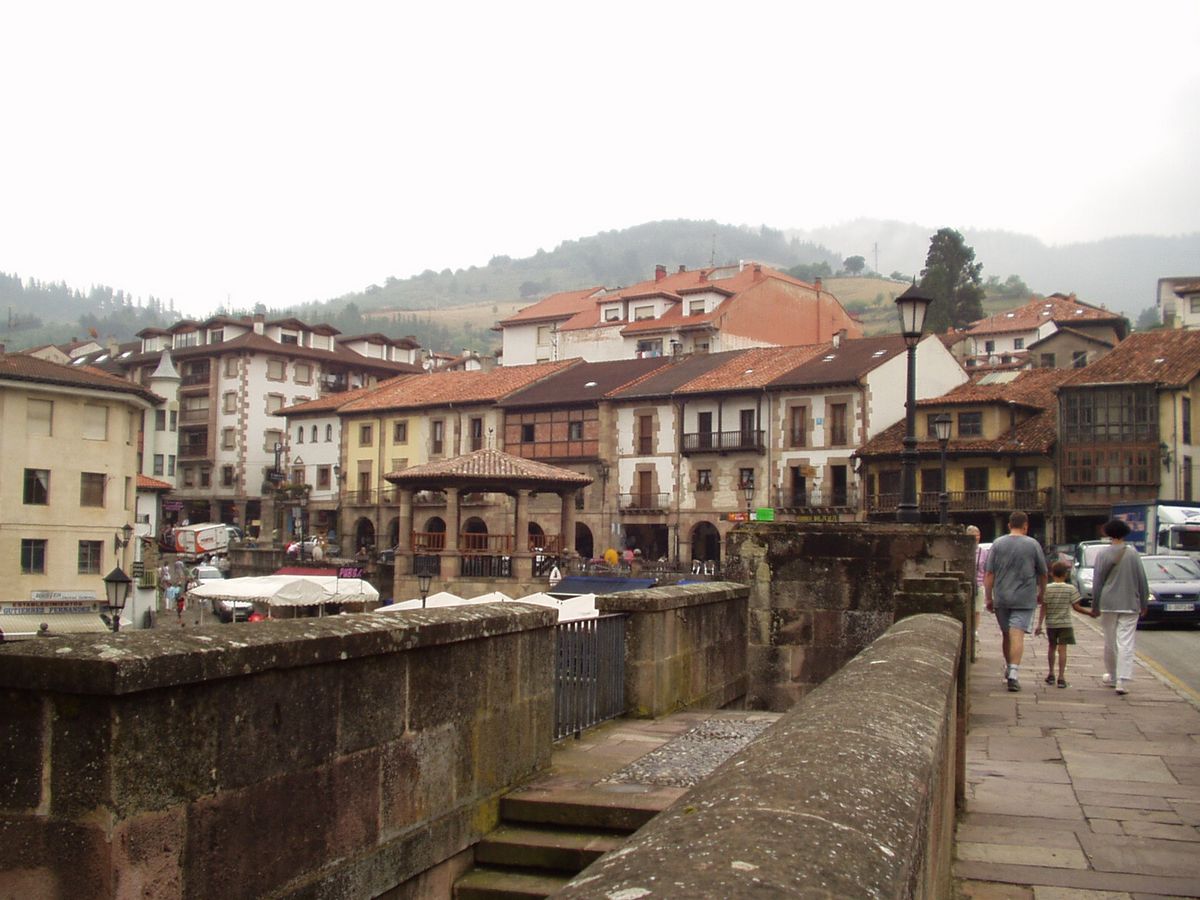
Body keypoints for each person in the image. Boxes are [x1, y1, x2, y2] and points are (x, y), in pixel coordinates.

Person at [985, 510, 1048, 692]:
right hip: (1024, 596)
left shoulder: (997, 544)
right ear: (1026, 526)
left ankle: (1009, 666)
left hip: (1002, 596)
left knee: (1007, 634)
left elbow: (989, 573)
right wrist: (1042, 593)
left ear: (1009, 525)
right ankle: (1013, 672)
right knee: (1017, 634)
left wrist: (989, 597)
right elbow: (1043, 572)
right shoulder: (1033, 544)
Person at [1090, 517, 1150, 695]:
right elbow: (1142, 580)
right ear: (1125, 533)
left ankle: (1113, 675)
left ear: (1108, 533)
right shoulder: (1132, 553)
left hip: (1108, 603)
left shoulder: (1102, 554)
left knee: (1110, 641)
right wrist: (1144, 602)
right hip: (1130, 603)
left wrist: (1095, 605)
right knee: (1126, 642)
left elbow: (1097, 582)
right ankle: (1122, 681)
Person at [1035, 561, 1088, 688]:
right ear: (1066, 574)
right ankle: (1061, 677)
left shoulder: (1047, 589)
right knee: (1062, 649)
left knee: (1052, 647)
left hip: (1051, 624)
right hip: (1065, 624)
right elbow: (1076, 606)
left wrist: (1039, 624)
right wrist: (1089, 613)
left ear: (1052, 574)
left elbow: (1043, 607)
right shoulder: (1070, 589)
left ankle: (1051, 673)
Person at [966, 525, 987, 644]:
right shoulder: (963, 550)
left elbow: (986, 568)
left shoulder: (983, 552)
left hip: (979, 583)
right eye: (974, 535)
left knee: (977, 609)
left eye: (978, 535)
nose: (977, 537)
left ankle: (975, 630)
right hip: (968, 582)